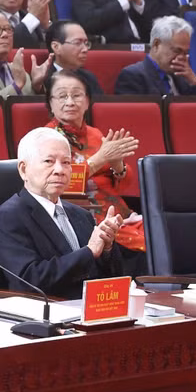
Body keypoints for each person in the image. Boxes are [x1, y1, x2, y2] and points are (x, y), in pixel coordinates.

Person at [0, 127, 125, 299]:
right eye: (49, 161)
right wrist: (89, 251)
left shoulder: (81, 215)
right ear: (23, 169)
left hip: (95, 305)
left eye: (66, 162)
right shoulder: (10, 216)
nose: (60, 170)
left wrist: (107, 249)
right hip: (49, 309)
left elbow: (112, 276)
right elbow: (29, 280)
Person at [45, 70, 147, 272]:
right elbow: (60, 184)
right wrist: (100, 159)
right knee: (141, 246)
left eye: (76, 95)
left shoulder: (95, 134)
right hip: (82, 215)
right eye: (62, 96)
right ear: (50, 103)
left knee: (161, 233)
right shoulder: (46, 139)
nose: (70, 102)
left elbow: (124, 186)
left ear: (87, 101)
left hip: (118, 212)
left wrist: (117, 164)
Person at [0, 7, 52, 97]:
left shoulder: (18, 71)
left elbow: (31, 104)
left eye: (8, 29)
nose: (5, 34)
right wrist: (16, 86)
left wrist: (37, 86)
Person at [114, 15, 196, 95]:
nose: (181, 57)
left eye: (185, 53)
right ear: (156, 44)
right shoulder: (132, 76)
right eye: (177, 51)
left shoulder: (183, 76)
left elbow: (195, 105)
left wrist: (194, 82)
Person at [43, 20, 104, 94]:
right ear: (56, 47)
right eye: (77, 43)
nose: (85, 49)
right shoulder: (43, 79)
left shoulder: (89, 78)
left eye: (86, 43)